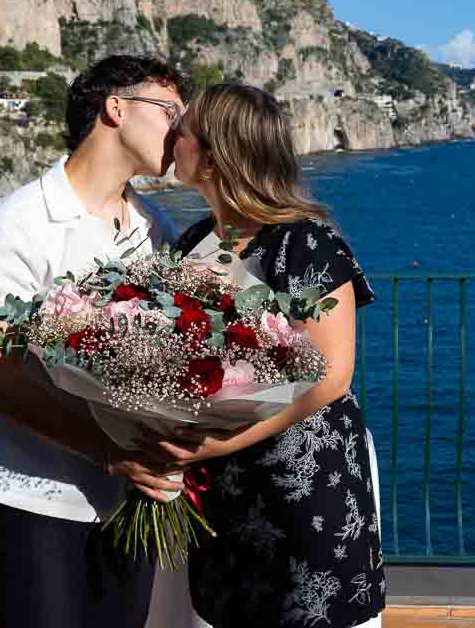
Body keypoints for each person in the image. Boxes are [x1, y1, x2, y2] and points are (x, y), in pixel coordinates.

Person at [0, 55, 191, 628]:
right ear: (116, 108)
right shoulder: (18, 222)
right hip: (38, 495)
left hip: (132, 500)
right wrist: (109, 452)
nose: (182, 129)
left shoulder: (156, 229)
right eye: (170, 111)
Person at [159, 83, 386, 627]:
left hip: (306, 491)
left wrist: (219, 442)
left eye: (182, 129)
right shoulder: (190, 245)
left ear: (213, 156)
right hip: (223, 496)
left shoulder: (303, 243)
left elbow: (329, 377)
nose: (171, 138)